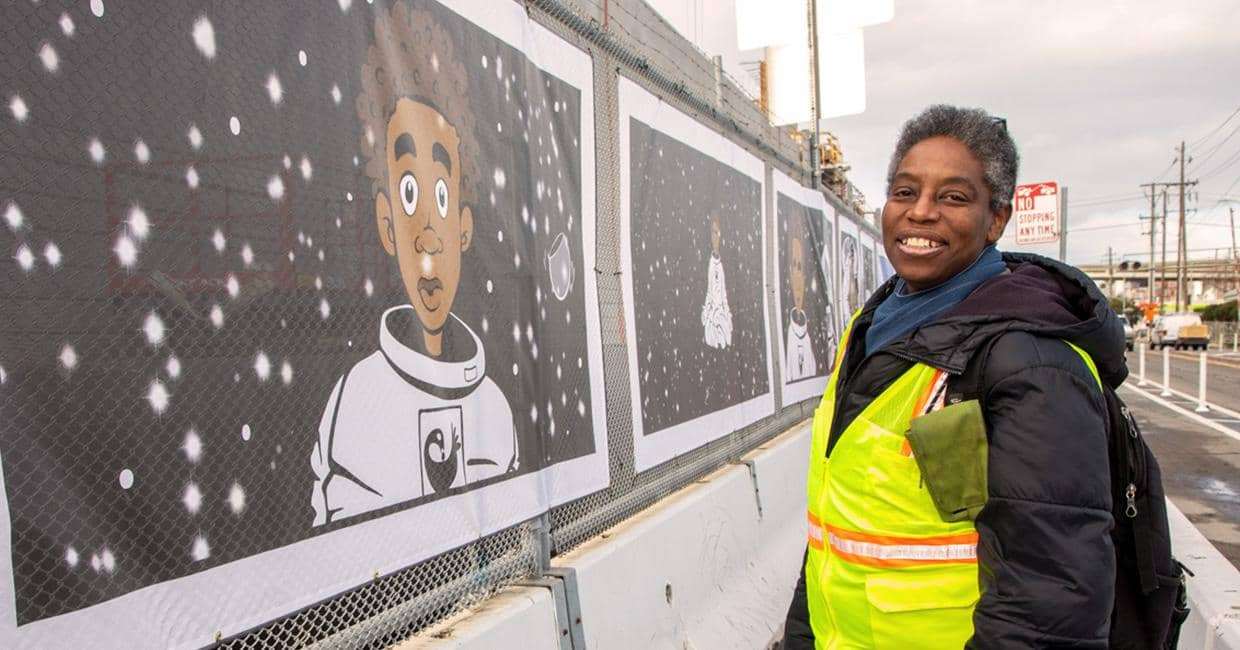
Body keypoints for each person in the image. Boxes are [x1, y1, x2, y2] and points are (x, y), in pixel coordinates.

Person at [783, 105, 1124, 648]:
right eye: (904, 192)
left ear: (997, 219)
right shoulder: (868, 329)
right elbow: (838, 530)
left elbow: (1048, 600)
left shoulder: (1031, 360)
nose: (920, 213)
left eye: (953, 197)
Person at [310, 4, 518, 526]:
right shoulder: (355, 403)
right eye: (408, 194)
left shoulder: (494, 408)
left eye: (442, 198)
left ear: (465, 227)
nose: (427, 230)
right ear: (386, 224)